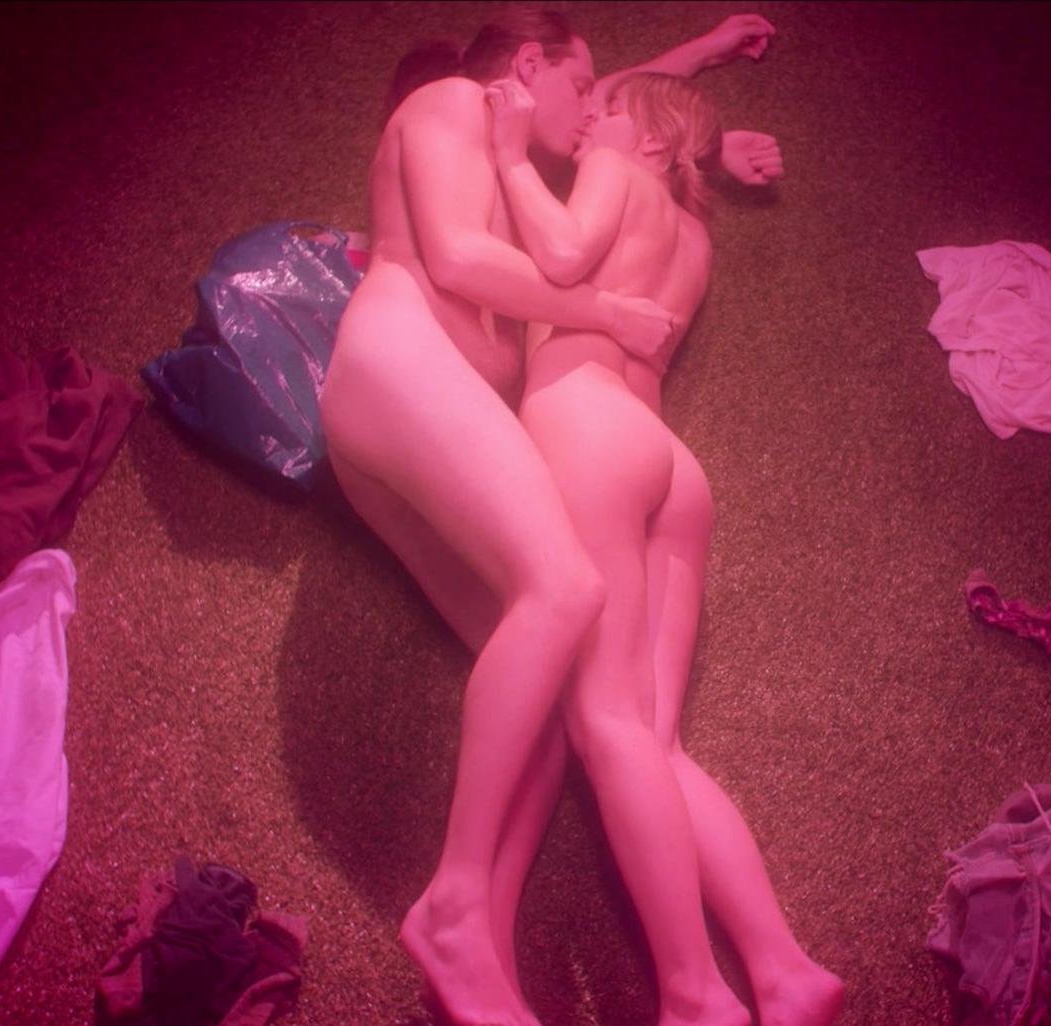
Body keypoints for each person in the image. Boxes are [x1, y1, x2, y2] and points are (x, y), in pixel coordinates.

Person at [317, 11, 783, 1026]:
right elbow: (454, 256)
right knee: (567, 588)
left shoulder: (533, 140)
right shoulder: (451, 99)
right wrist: (604, 314)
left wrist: (704, 76)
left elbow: (621, 103)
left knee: (559, 695)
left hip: (414, 422)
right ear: (527, 67)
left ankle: (478, 947)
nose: (589, 117)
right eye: (576, 88)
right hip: (400, 354)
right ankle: (453, 900)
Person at [482, 71, 844, 1026]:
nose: (587, 122)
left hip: (588, 426)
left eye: (604, 112)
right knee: (654, 740)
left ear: (644, 138)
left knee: (606, 721)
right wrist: (708, 64)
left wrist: (513, 158)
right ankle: (783, 969)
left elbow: (563, 252)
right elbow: (651, 120)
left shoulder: (616, 170)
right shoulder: (693, 232)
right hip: (668, 463)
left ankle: (693, 993)